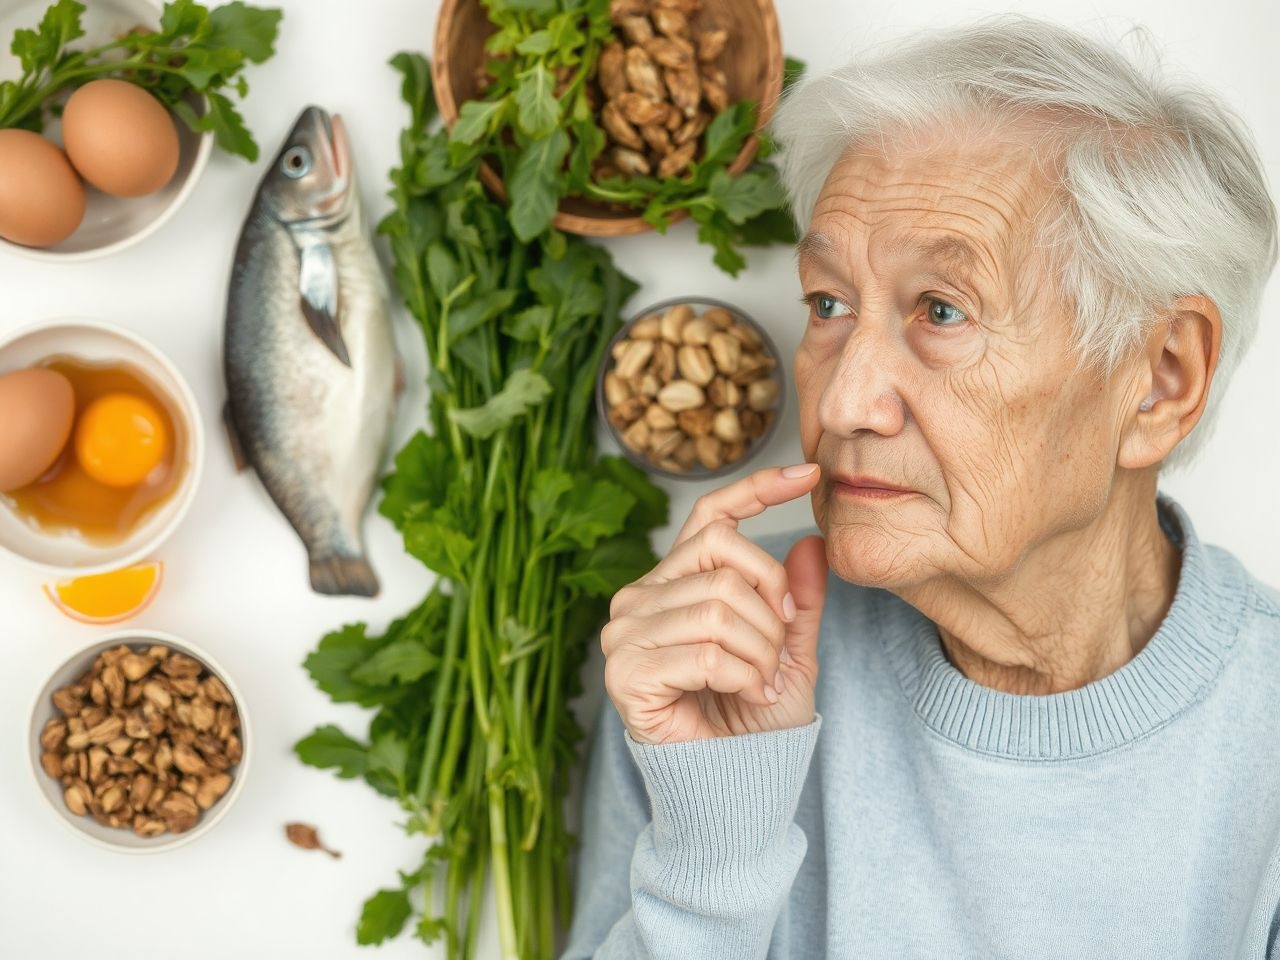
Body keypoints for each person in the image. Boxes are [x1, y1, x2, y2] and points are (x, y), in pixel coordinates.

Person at [562, 12, 1280, 959]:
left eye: (943, 311)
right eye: (829, 304)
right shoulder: (718, 642)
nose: (848, 399)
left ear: (1161, 379)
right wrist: (713, 851)